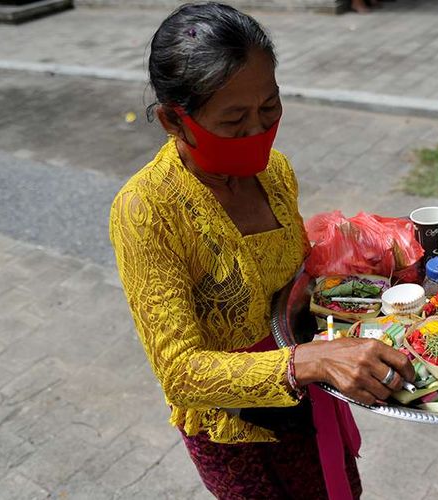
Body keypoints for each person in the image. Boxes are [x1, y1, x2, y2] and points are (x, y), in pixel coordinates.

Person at [108, 3, 414, 499]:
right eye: (233, 120)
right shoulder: (146, 210)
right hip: (237, 431)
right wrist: (306, 363)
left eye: (269, 109)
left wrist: (361, 269)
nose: (257, 134)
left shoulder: (275, 172)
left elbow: (294, 284)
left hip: (307, 399)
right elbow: (180, 372)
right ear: (172, 119)